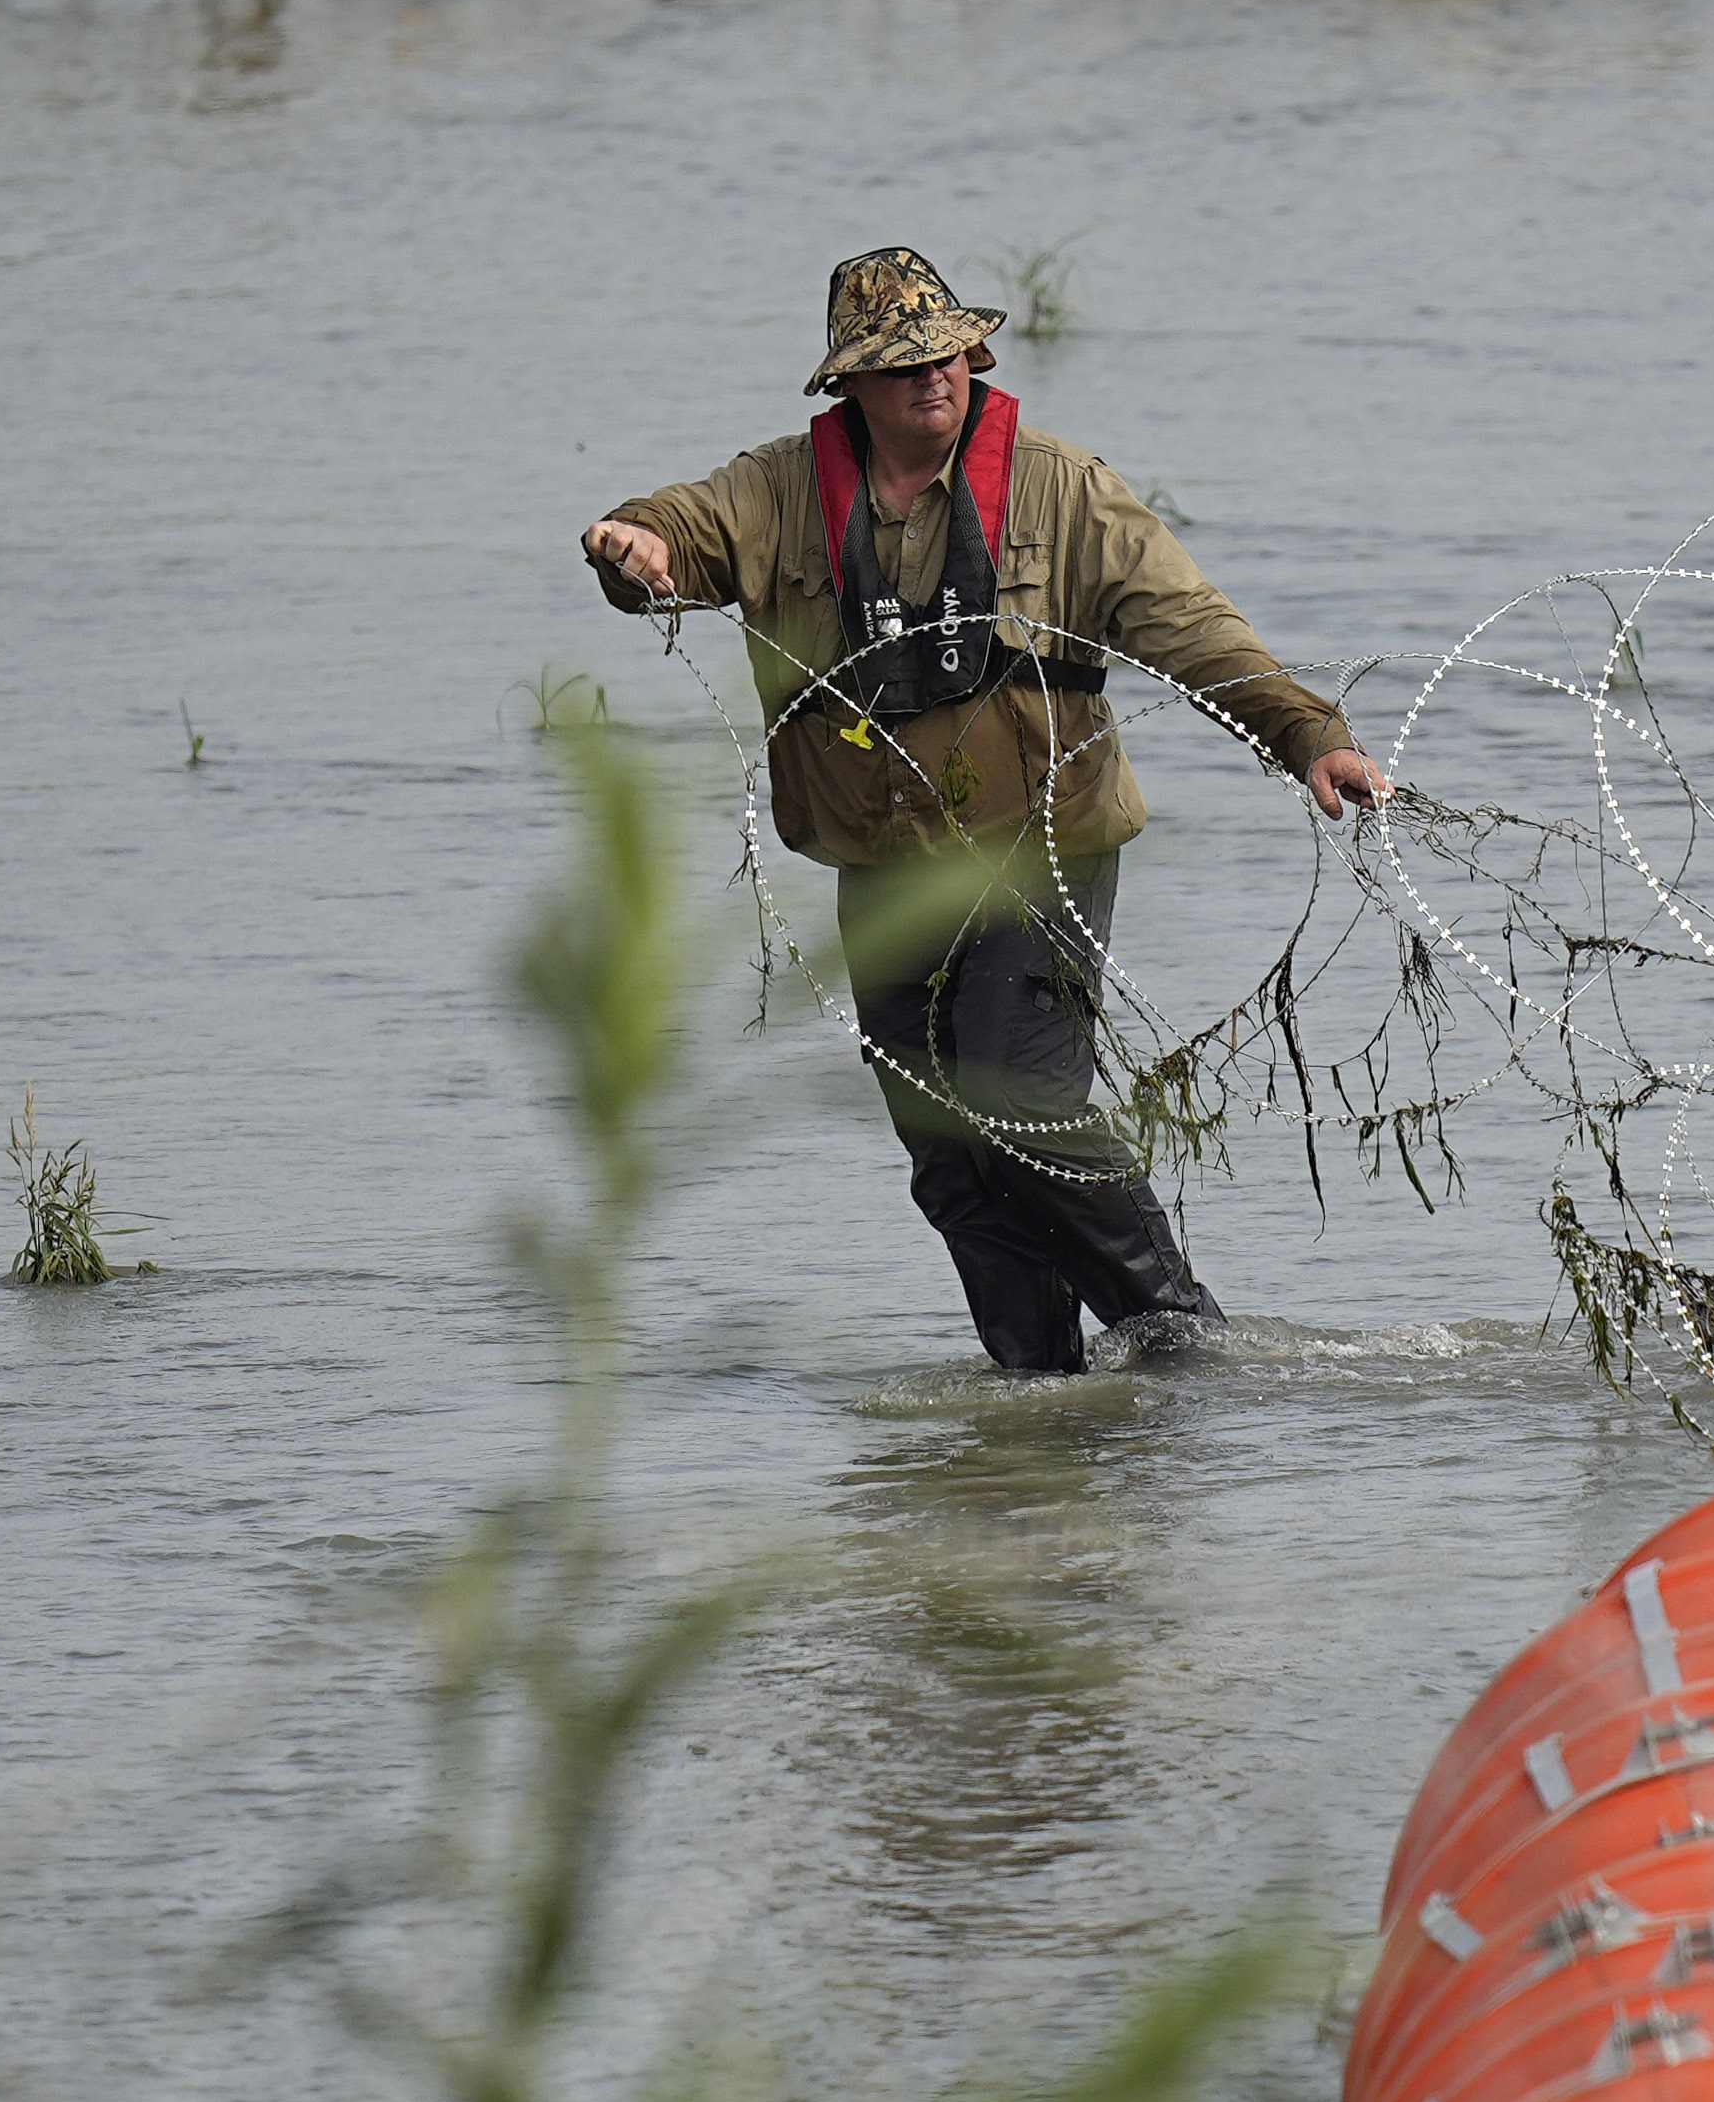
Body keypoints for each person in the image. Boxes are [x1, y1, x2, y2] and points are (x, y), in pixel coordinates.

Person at [579, 245, 1389, 1372]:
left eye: (947, 354)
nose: (932, 377)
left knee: (1015, 1097)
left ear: (977, 355)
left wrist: (1311, 736)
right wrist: (635, 549)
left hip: (1040, 849)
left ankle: (1182, 1345)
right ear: (849, 384)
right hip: (882, 866)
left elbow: (1191, 627)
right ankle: (1039, 1399)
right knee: (948, 1158)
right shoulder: (776, 493)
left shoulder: (1062, 489)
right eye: (902, 362)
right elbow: (676, 532)